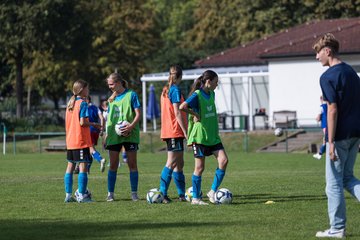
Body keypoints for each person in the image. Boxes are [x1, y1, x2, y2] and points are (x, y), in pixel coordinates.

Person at [313, 33, 360, 238]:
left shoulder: (327, 77)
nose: (317, 57)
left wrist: (330, 142)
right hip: (356, 133)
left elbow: (332, 110)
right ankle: (337, 227)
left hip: (340, 135)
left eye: (318, 53)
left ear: (327, 51)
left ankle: (337, 229)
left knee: (333, 183)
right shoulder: (351, 72)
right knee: (348, 178)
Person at [179, 70, 229, 205]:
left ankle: (212, 191)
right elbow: (182, 107)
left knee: (223, 161)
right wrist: (194, 113)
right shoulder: (197, 95)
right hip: (200, 137)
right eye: (215, 82)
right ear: (208, 81)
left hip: (213, 136)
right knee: (199, 168)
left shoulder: (211, 93)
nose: (216, 85)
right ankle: (195, 198)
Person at [104, 72, 141, 202]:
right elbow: (109, 119)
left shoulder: (132, 95)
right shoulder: (111, 99)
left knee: (132, 164)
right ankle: (110, 194)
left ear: (119, 83)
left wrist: (131, 126)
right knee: (113, 164)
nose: (110, 87)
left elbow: (138, 114)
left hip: (130, 134)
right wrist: (106, 134)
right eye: (108, 84)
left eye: (111, 84)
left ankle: (134, 193)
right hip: (114, 136)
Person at [64, 79, 99, 203]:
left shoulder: (70, 104)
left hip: (70, 141)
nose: (88, 91)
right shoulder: (82, 103)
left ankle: (68, 195)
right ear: (82, 90)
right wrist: (94, 124)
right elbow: (83, 122)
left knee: (70, 166)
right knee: (83, 167)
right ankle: (82, 195)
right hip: (80, 140)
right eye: (87, 88)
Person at [159, 65, 188, 203]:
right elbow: (177, 112)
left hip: (170, 130)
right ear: (180, 76)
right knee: (171, 162)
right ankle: (162, 194)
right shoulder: (174, 90)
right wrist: (185, 131)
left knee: (179, 163)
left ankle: (181, 194)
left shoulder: (166, 89)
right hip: (174, 131)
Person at [74, 96, 106, 173]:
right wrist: (101, 128)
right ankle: (87, 169)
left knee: (91, 149)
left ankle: (100, 159)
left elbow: (81, 121)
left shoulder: (84, 107)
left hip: (88, 130)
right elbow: (102, 118)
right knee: (89, 150)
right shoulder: (96, 107)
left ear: (87, 100)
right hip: (96, 131)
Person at [313, 96, 328, 160]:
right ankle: (320, 153)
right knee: (326, 140)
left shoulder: (322, 107)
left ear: (321, 99)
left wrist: (316, 118)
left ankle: (320, 154)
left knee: (325, 140)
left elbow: (318, 118)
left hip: (325, 126)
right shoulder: (330, 106)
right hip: (331, 125)